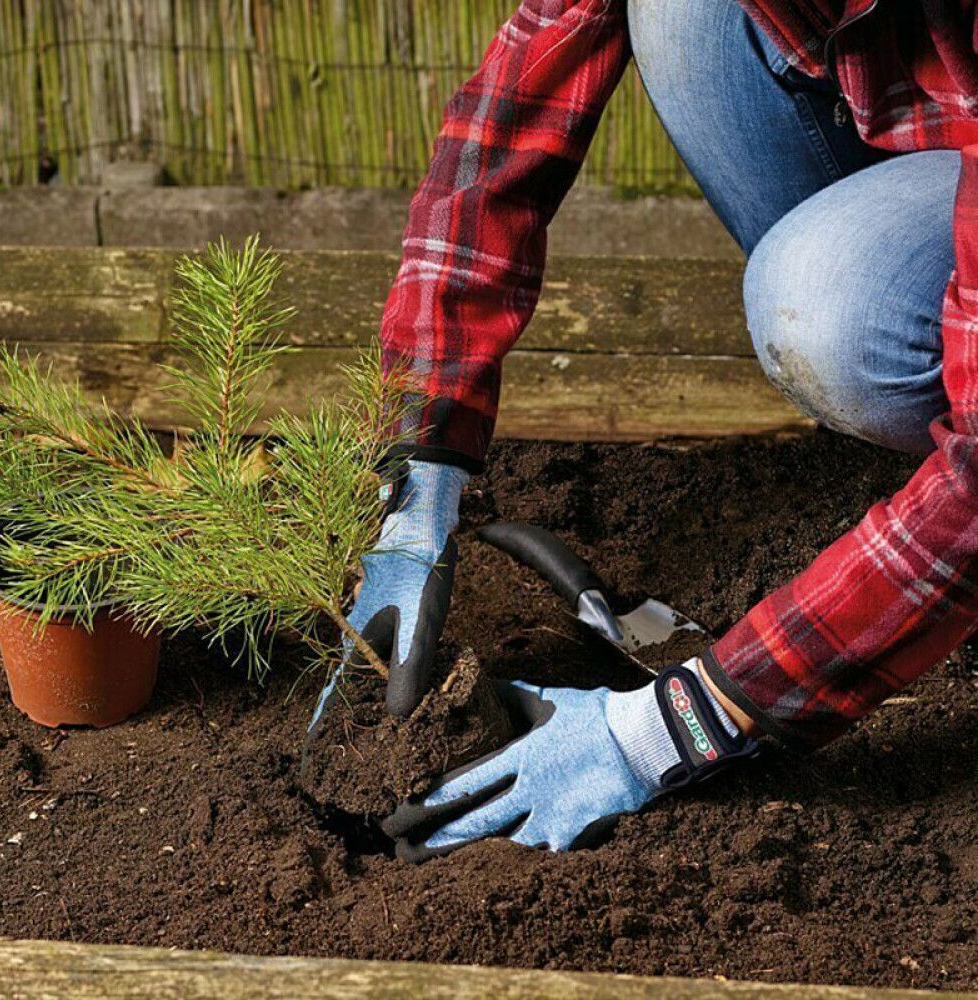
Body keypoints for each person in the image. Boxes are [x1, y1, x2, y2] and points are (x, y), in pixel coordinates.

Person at [315, 1, 978, 862]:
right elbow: (504, 126)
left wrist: (680, 725)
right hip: (929, 115)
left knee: (826, 311)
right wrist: (421, 469)